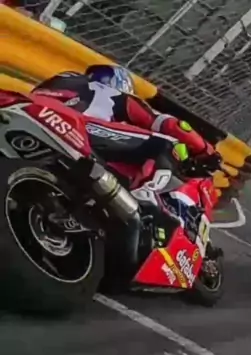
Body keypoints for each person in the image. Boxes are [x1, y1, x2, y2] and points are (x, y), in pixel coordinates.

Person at [32, 64, 220, 233]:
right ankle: (143, 204)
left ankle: (90, 204)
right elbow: (170, 125)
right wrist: (204, 150)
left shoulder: (67, 80)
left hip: (36, 119)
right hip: (78, 128)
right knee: (168, 145)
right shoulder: (114, 94)